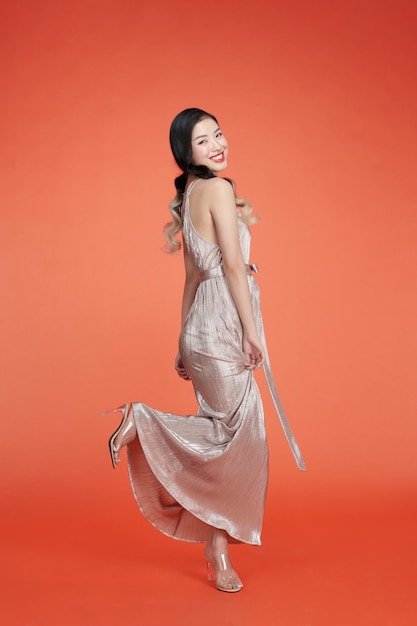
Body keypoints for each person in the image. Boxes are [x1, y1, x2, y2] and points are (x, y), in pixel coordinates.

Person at [104, 108, 306, 593]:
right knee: (241, 435)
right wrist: (252, 330)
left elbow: (192, 275)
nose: (217, 144)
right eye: (202, 141)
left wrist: (182, 338)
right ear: (185, 152)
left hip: (200, 328)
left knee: (230, 438)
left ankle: (218, 550)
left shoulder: (191, 193)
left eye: (218, 133)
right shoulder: (216, 189)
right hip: (221, 327)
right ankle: (144, 419)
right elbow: (232, 269)